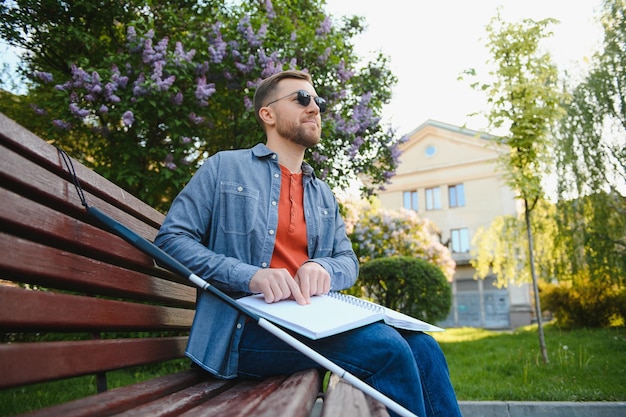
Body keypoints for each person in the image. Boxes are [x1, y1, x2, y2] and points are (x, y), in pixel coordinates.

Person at [155, 70, 462, 417]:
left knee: (424, 347)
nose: (314, 107)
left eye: (317, 100)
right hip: (244, 331)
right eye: (301, 99)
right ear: (267, 114)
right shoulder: (224, 168)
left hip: (311, 322)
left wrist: (323, 267)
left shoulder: (321, 192)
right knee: (386, 349)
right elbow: (170, 242)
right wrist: (250, 276)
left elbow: (348, 261)